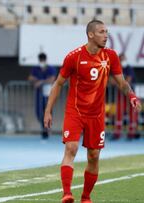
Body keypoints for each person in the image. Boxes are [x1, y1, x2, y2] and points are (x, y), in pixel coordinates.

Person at [43, 20, 141, 203]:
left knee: (94, 156)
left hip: (96, 114)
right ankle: (66, 194)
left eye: (107, 32)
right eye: (102, 32)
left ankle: (86, 197)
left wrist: (132, 96)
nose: (106, 35)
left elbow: (122, 83)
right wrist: (48, 111)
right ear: (90, 34)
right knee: (71, 148)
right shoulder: (74, 57)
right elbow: (57, 84)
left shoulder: (111, 56)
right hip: (75, 111)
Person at [28, 52, 56, 139]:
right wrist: (38, 80)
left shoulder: (50, 68)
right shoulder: (36, 68)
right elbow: (30, 78)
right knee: (39, 112)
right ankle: (44, 127)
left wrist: (40, 82)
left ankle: (46, 129)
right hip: (39, 94)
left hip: (48, 94)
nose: (42, 61)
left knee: (47, 111)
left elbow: (52, 79)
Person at [112, 53, 139, 140]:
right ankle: (117, 133)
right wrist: (121, 83)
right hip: (120, 94)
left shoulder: (128, 68)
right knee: (119, 113)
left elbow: (128, 81)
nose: (122, 60)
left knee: (132, 112)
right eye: (121, 59)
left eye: (124, 58)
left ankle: (132, 133)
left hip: (130, 94)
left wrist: (120, 83)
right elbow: (111, 81)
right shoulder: (116, 68)